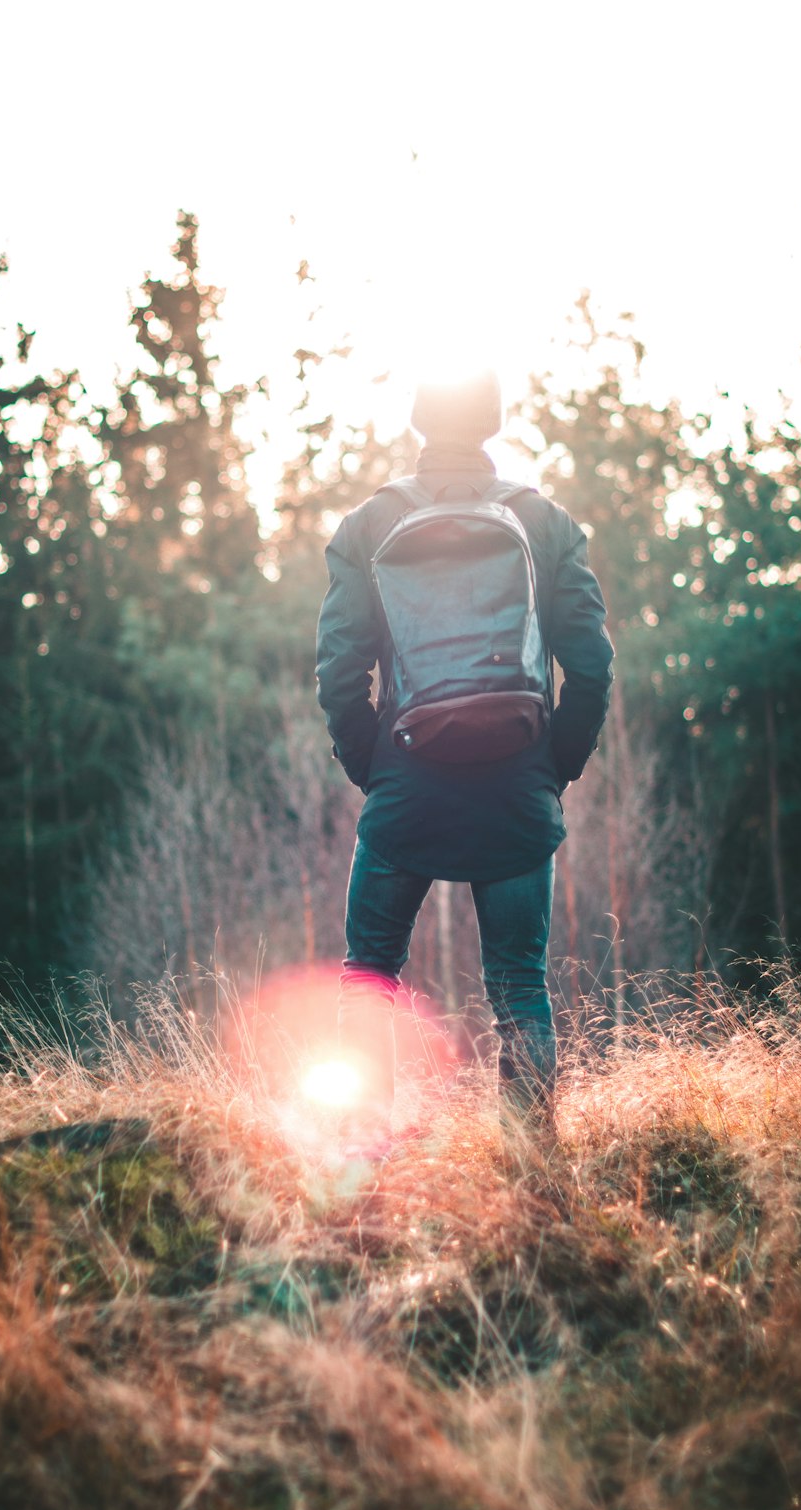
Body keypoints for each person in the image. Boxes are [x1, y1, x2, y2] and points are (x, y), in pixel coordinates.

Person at [315, 369, 614, 1153]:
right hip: (518, 783)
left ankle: (362, 1160)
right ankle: (534, 1170)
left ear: (419, 422)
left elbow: (341, 673)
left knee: (370, 972)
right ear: (493, 422)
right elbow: (591, 666)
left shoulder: (368, 522)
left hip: (406, 783)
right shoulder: (544, 521)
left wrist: (375, 767)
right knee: (518, 980)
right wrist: (553, 767)